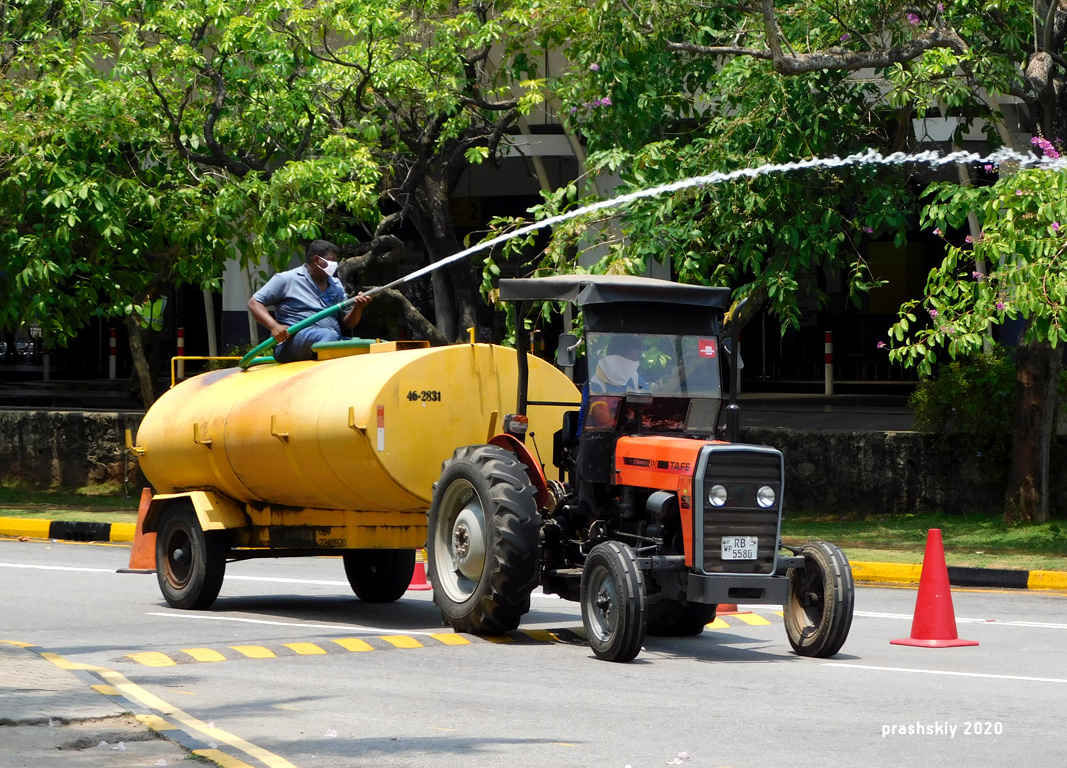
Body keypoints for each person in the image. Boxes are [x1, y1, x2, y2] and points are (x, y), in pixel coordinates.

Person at [248, 240, 373, 363]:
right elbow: (254, 303)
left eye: (335, 261)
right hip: (291, 343)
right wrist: (274, 326)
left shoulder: (335, 284)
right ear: (316, 260)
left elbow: (348, 323)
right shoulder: (287, 279)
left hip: (330, 340)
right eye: (330, 261)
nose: (334, 265)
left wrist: (358, 307)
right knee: (328, 336)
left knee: (359, 344)